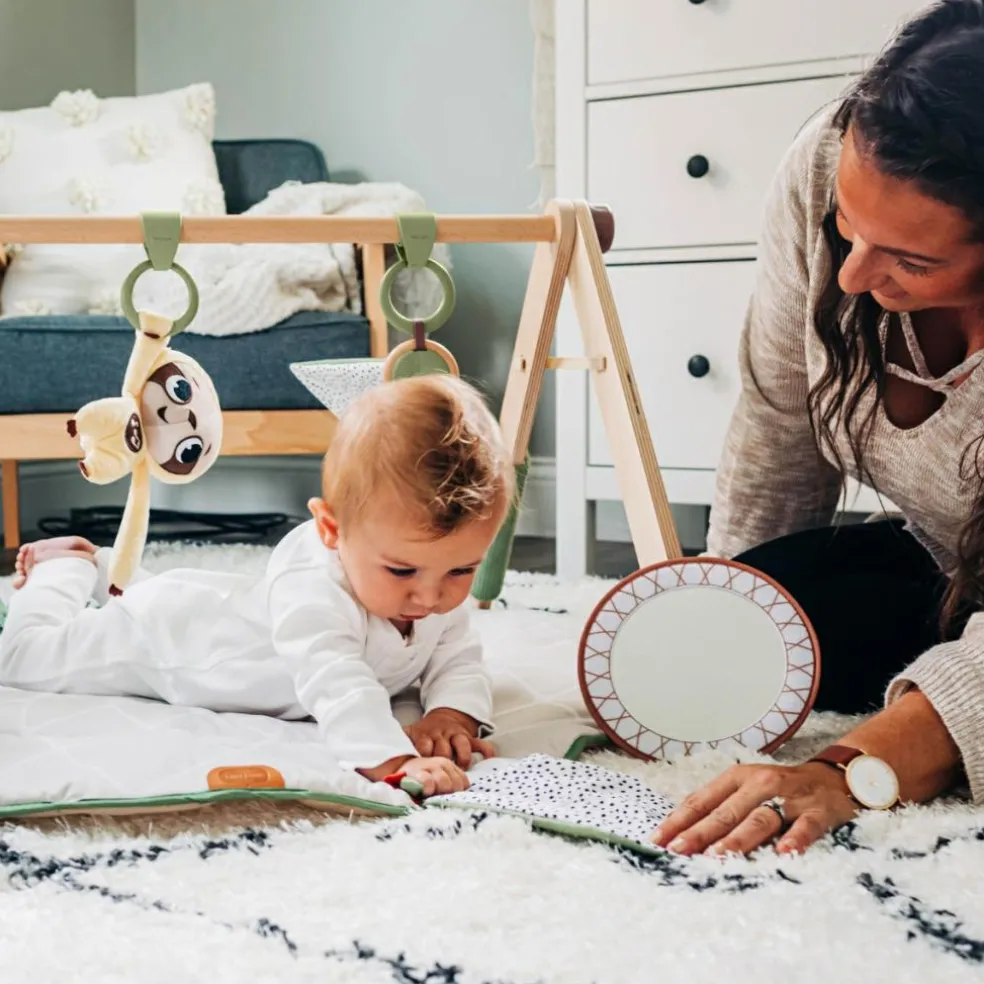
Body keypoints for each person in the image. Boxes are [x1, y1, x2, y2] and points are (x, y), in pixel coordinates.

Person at [652, 0, 984, 858]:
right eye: (847, 226)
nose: (853, 272)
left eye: (912, 260)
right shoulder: (825, 163)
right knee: (756, 622)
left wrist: (848, 768)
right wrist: (719, 626)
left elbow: (846, 769)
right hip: (948, 563)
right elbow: (777, 420)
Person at [0, 374, 513, 798]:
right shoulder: (313, 589)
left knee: (165, 591)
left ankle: (109, 568)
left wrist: (451, 714)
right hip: (170, 642)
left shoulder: (431, 580)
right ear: (332, 531)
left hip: (214, 609)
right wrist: (393, 760)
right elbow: (335, 681)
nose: (431, 597)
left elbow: (459, 655)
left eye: (462, 571)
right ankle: (64, 569)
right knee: (25, 660)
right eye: (402, 572)